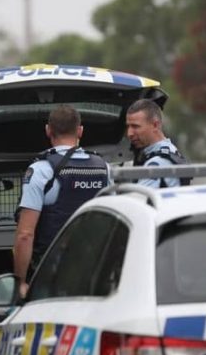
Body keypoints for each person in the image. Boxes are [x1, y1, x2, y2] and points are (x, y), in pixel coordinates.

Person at [13, 105, 111, 298]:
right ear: (80, 131)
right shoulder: (104, 168)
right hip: (95, 276)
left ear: (48, 130)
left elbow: (25, 235)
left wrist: (21, 282)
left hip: (51, 278)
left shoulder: (40, 170)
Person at [125, 98, 190, 188]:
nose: (129, 133)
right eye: (128, 126)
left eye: (135, 126)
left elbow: (138, 199)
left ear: (155, 125)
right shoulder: (171, 151)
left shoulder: (157, 163)